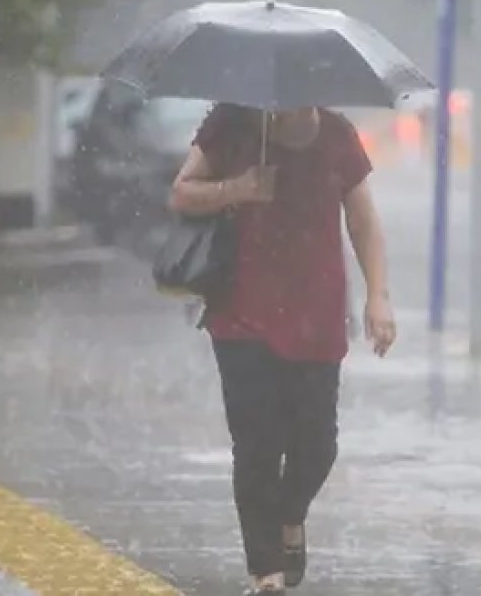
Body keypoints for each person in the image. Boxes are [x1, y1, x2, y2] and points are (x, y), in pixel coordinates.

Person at [169, 103, 396, 595]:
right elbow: (182, 192)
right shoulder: (231, 124)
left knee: (318, 447)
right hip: (241, 314)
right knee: (257, 445)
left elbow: (362, 221)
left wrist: (378, 295)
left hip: (317, 314)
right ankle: (265, 571)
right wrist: (239, 188)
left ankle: (291, 516)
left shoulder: (337, 135)